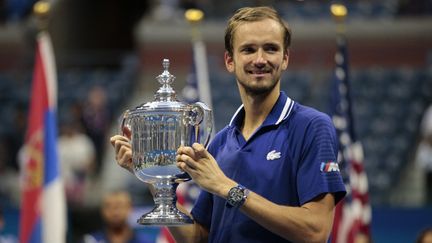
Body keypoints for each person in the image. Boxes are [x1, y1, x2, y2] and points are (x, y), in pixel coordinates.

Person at [111, 6, 346, 242]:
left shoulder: (312, 126)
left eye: (271, 49)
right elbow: (197, 237)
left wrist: (228, 188)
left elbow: (315, 230)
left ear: (285, 59)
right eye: (248, 50)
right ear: (229, 61)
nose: (260, 59)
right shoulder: (221, 142)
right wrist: (154, 177)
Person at [82, 190, 153, 243]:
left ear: (130, 209)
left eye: (120, 206)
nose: (115, 212)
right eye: (109, 206)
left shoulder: (145, 241)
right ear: (102, 210)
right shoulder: (91, 240)